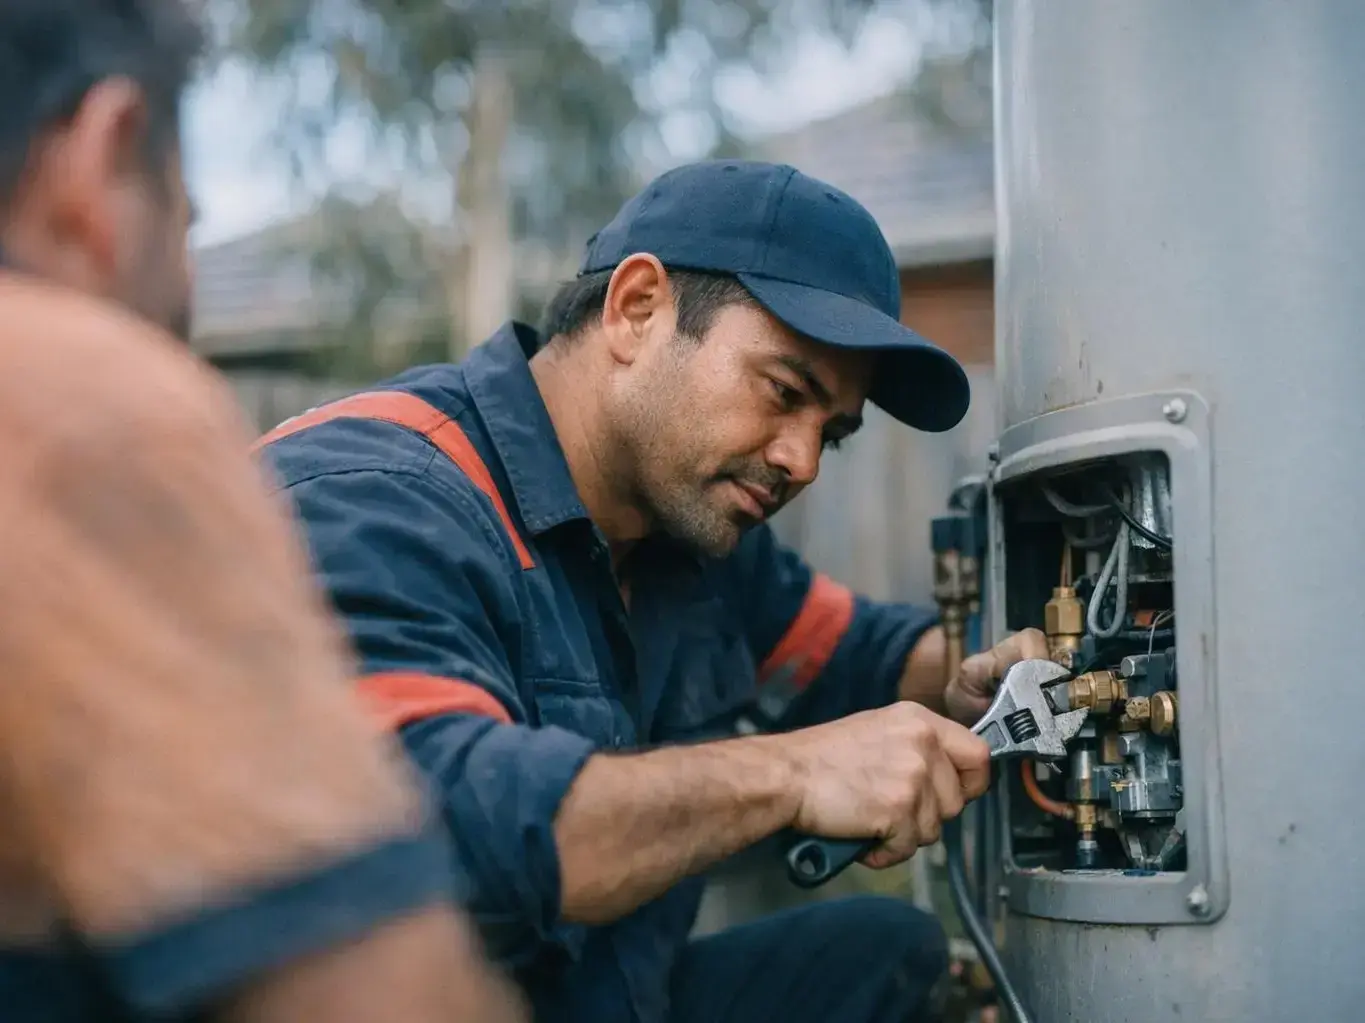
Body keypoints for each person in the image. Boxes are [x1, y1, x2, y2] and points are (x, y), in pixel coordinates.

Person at [257, 158, 1052, 1023]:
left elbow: (859, 655)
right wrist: (791, 772)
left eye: (834, 432)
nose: (802, 459)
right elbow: (445, 834)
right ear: (637, 309)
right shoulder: (378, 496)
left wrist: (977, 675)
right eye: (785, 392)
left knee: (884, 954)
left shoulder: (686, 532)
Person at [0, 2, 526, 1021]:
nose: (188, 275)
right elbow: (380, 999)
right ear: (104, 157)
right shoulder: (72, 402)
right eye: (186, 221)